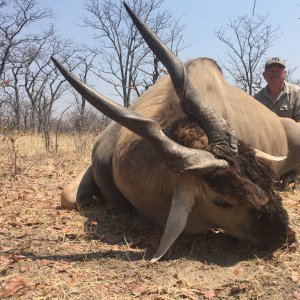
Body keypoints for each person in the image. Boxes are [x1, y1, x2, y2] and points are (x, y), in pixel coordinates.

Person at [254, 57, 300, 122]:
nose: (274, 73)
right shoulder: (257, 98)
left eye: (278, 70)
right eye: (271, 70)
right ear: (264, 75)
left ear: (285, 73)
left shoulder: (297, 92)